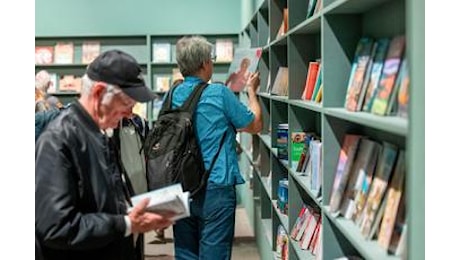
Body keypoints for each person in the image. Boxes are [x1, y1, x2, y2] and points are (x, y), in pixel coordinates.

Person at [35, 50, 174, 260]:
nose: (130, 113)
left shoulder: (100, 134)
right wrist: (126, 223)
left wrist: (135, 213)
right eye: (127, 103)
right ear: (99, 93)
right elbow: (56, 227)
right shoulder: (59, 141)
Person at [171, 35, 262, 260]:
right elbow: (255, 125)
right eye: (211, 59)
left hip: (179, 186)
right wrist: (252, 92)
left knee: (185, 253)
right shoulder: (218, 93)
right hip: (215, 185)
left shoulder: (172, 94)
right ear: (204, 63)